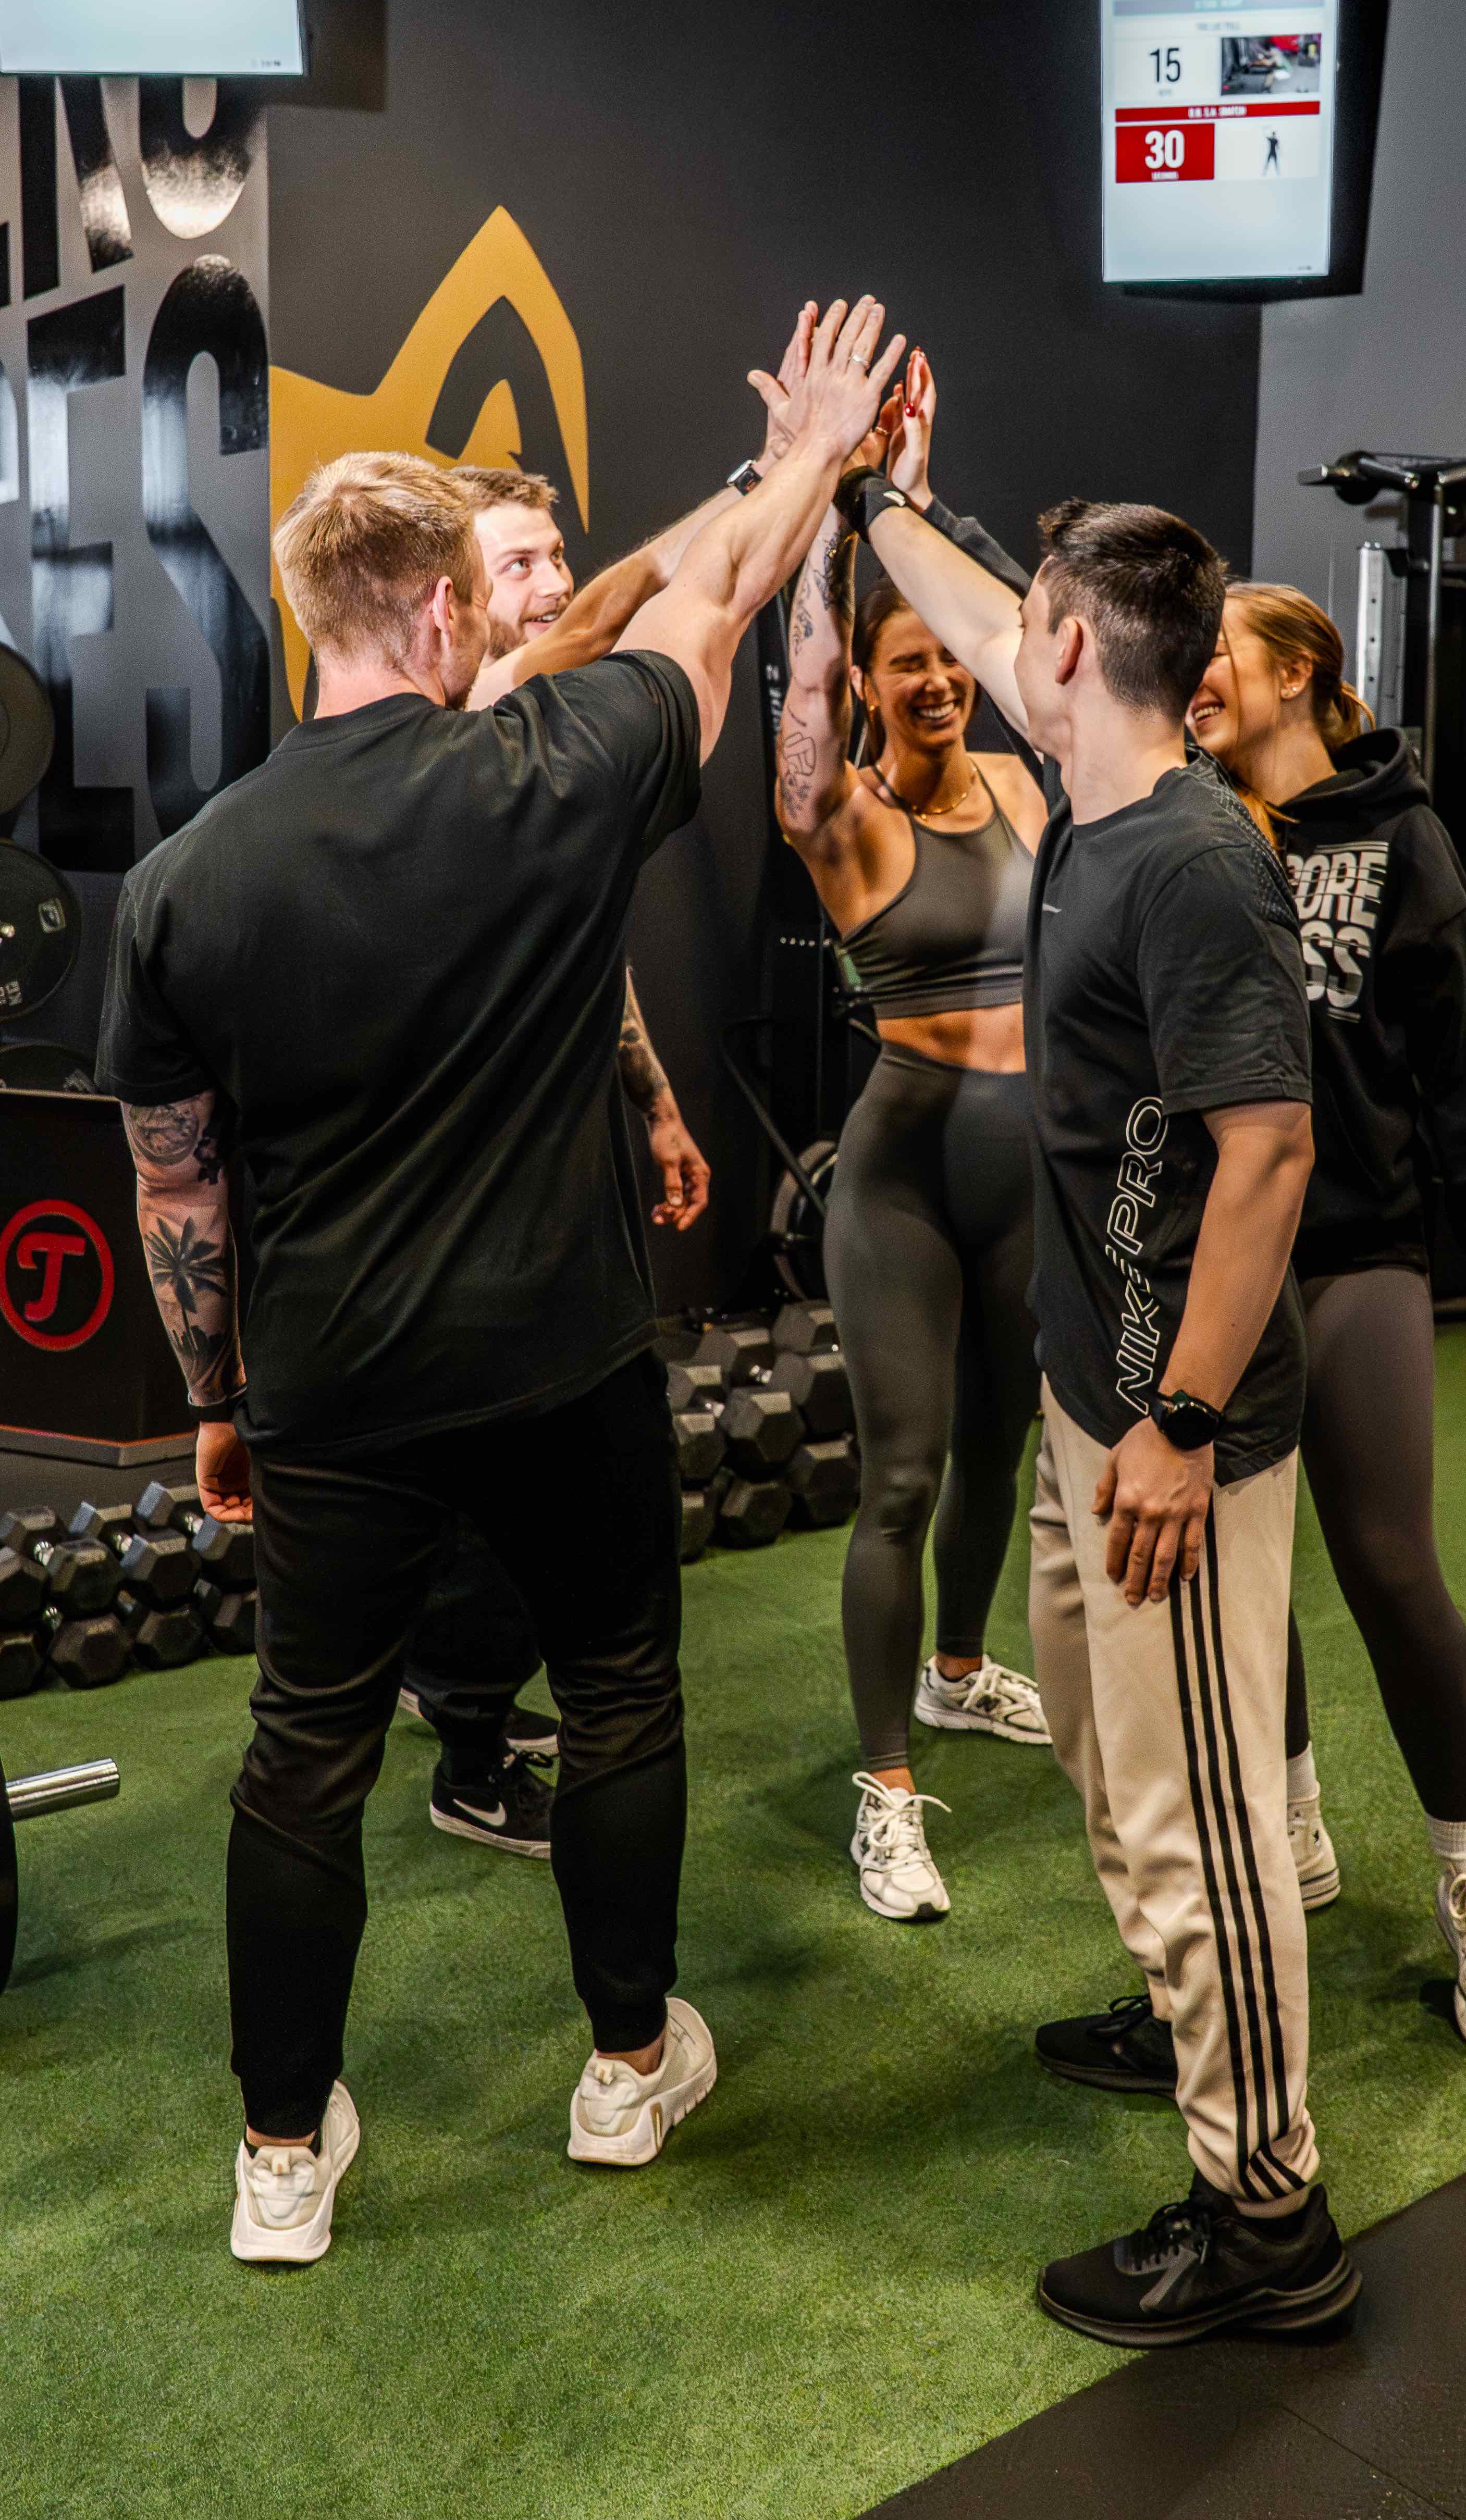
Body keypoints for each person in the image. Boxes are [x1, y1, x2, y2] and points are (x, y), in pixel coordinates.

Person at [99, 295, 904, 2266]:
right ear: (456, 614)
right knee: (623, 1690)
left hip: (330, 1390)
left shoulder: (186, 879)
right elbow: (700, 624)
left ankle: (283, 2157)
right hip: (558, 1362)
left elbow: (174, 1193)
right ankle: (628, 2069)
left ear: (315, 617)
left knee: (306, 1751)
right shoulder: (556, 769)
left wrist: (216, 1398)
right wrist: (808, 451)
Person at [854, 483, 1358, 2348]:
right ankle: (1183, 2021)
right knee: (1100, 1754)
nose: (1000, 652)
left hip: (1175, 1433)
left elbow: (1271, 1155)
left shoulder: (1188, 862)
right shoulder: (1092, 790)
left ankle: (1270, 2222)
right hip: (1094, 1396)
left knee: (1196, 1810)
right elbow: (966, 603)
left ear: (1077, 653)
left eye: (1029, 629)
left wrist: (1183, 1419)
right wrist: (854, 488)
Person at [1189, 585, 1466, 2065]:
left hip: (1358, 1251)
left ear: (1296, 671)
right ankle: (1292, 1815)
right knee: (1239, 1570)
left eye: (1216, 652)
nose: (1191, 677)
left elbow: (1465, 1042)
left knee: (1392, 1568)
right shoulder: (1190, 826)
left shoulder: (1398, 835)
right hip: (1220, 1259)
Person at [395, 459, 731, 1857]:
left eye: (552, 557)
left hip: (565, 1139)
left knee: (530, 1465)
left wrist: (650, 1094)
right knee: (515, 1472)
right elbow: (603, 621)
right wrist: (743, 501)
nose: (543, 585)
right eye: (515, 563)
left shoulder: (540, 736)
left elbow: (585, 947)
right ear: (448, 600)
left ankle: (456, 1695)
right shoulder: (470, 721)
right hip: (473, 1183)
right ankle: (471, 1756)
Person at [767, 340, 1050, 1924]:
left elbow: (1019, 637)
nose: (936, 680)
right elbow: (798, 693)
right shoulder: (843, 816)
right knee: (904, 1476)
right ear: (868, 685)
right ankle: (887, 1791)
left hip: (1034, 1166)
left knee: (1002, 1453)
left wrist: (918, 508)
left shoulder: (1020, 782)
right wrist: (838, 513)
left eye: (943, 662)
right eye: (906, 667)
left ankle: (957, 1672)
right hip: (904, 1177)